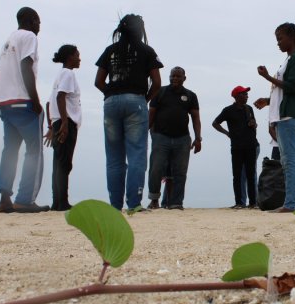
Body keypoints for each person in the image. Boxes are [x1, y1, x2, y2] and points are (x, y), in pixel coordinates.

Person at [95, 14, 163, 211]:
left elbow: (98, 81)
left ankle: (115, 206)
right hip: (136, 100)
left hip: (111, 103)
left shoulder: (110, 50)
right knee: (136, 154)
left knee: (114, 157)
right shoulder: (146, 50)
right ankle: (134, 204)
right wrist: (145, 99)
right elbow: (157, 83)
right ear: (140, 30)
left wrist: (110, 93)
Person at [0, 7, 49, 213]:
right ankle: (25, 199)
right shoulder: (29, 37)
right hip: (23, 102)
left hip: (6, 103)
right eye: (39, 22)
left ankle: (5, 198)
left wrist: (1, 99)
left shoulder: (8, 40)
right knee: (35, 151)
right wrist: (34, 100)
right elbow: (26, 66)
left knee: (10, 151)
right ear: (32, 21)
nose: (39, 27)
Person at [254, 22, 295, 213]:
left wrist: (267, 77)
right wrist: (268, 101)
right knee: (287, 161)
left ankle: (290, 204)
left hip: (289, 118)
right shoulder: (287, 60)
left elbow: (293, 86)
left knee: (291, 161)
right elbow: (286, 92)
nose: (278, 42)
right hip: (283, 117)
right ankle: (289, 202)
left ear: (291, 38)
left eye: (280, 38)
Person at [147, 67, 201, 210]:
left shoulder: (191, 95)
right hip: (160, 137)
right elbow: (151, 114)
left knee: (180, 172)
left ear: (184, 78)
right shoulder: (159, 92)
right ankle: (154, 200)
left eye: (178, 76)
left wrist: (198, 138)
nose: (175, 79)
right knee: (156, 169)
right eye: (172, 76)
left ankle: (176, 203)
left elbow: (195, 118)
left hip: (182, 139)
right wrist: (144, 132)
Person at [44, 45, 82, 211]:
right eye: (77, 55)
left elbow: (48, 103)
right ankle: (62, 202)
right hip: (66, 122)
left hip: (58, 121)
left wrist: (51, 125)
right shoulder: (68, 73)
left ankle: (57, 202)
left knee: (59, 163)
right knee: (64, 163)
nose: (79, 59)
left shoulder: (60, 75)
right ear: (69, 57)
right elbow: (60, 97)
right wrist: (65, 124)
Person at [213, 86, 259, 209]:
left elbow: (254, 124)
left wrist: (254, 124)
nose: (247, 96)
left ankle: (253, 203)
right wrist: (227, 133)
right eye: (244, 94)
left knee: (251, 174)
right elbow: (215, 123)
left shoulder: (249, 109)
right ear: (237, 96)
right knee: (237, 175)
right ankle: (239, 203)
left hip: (251, 145)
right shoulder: (228, 110)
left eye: (246, 94)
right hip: (237, 147)